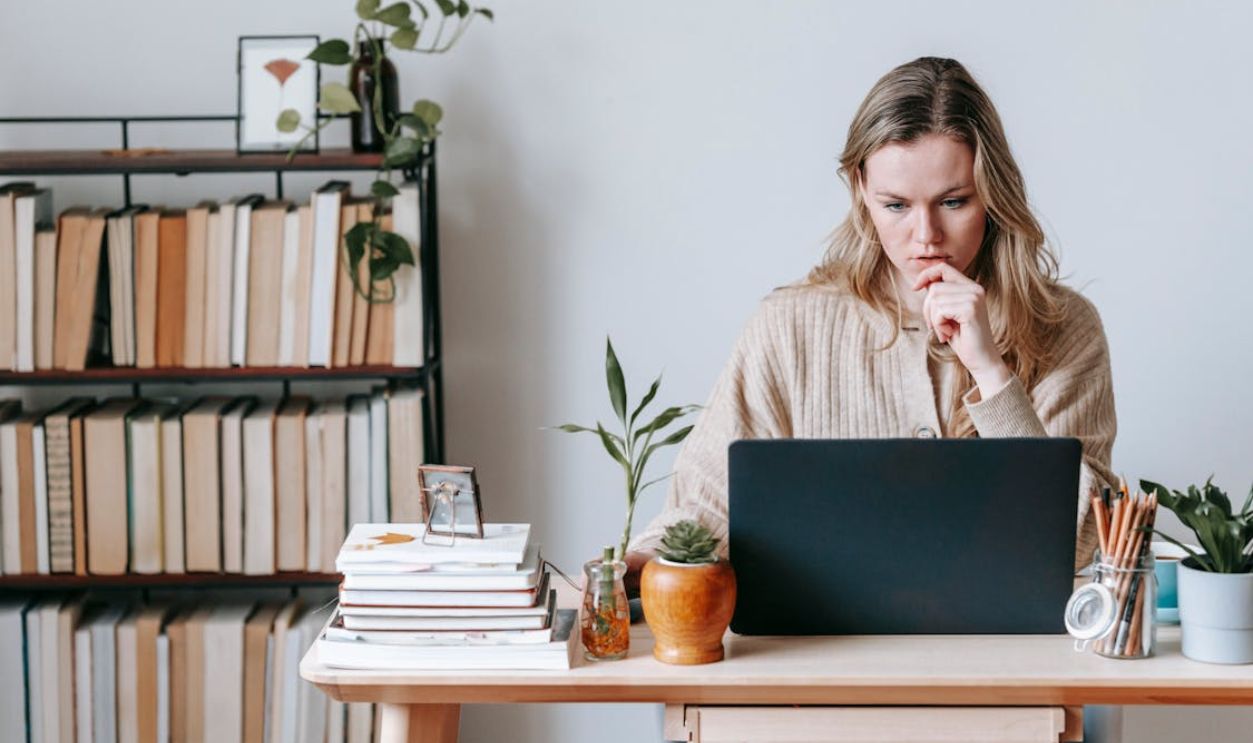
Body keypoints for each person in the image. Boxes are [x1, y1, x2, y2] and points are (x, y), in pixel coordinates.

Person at [626, 56, 1118, 590]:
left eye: (953, 202)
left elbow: (1085, 541)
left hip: (1004, 654)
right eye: (896, 205)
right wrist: (633, 568)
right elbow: (706, 504)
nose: (925, 234)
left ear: (993, 195)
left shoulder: (1064, 325)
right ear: (861, 189)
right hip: (824, 654)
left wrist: (991, 372)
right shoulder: (789, 326)